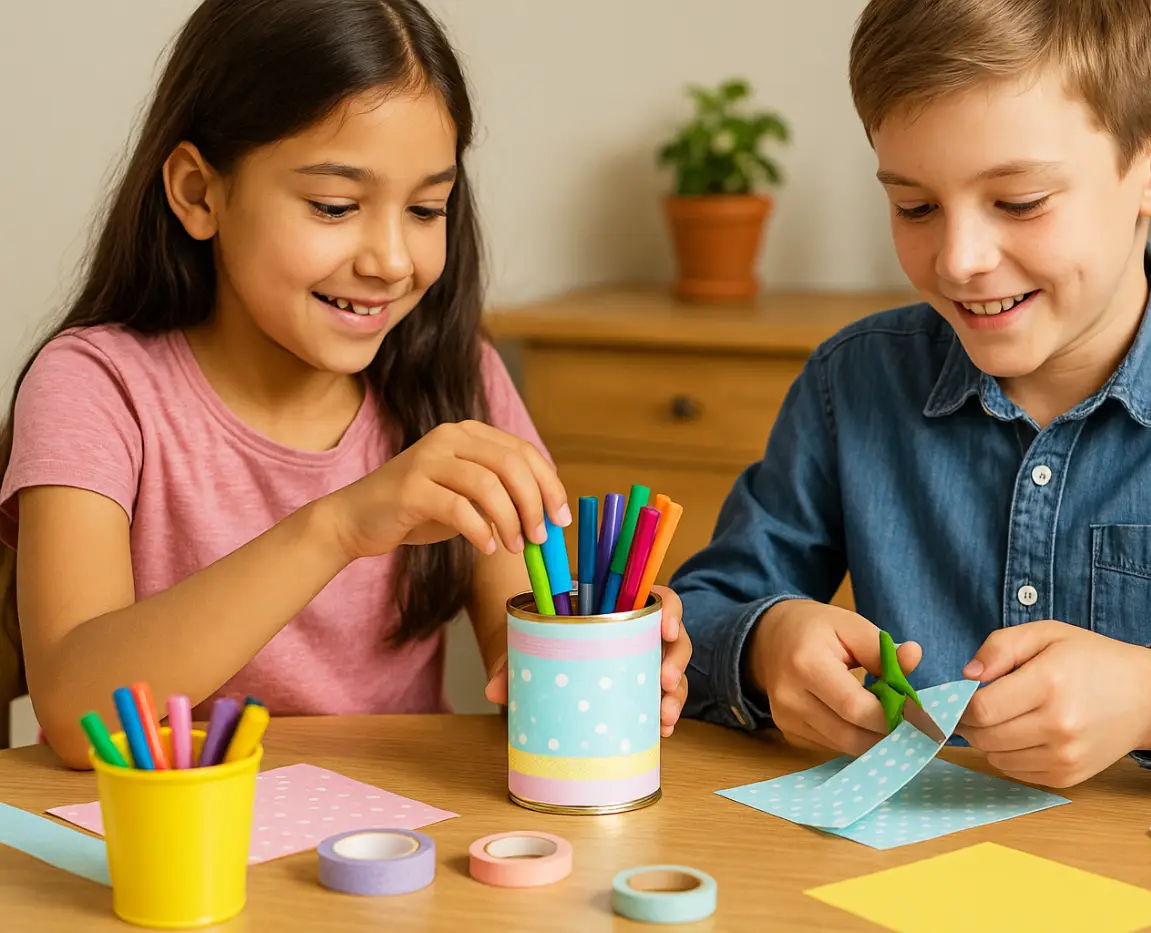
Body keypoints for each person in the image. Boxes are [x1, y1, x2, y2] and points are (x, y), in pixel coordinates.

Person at [672, 0, 1151, 790]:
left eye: (1019, 202)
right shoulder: (850, 383)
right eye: (914, 205)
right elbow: (697, 614)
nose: (959, 260)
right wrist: (766, 643)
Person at [0, 0, 691, 770]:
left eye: (428, 208)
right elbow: (71, 709)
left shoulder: (455, 379)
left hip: (388, 857)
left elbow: (522, 650)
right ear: (200, 193)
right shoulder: (96, 386)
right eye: (335, 206)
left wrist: (603, 657)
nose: (392, 261)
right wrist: (335, 528)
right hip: (155, 855)